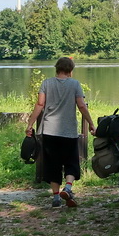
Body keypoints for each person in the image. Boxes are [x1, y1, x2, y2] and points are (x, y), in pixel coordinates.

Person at [26, 57, 94, 208]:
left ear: (57, 68)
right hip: (68, 131)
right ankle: (68, 188)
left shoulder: (46, 83)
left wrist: (30, 124)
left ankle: (56, 197)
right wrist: (91, 123)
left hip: (49, 131)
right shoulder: (75, 84)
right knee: (71, 161)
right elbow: (81, 105)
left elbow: (40, 104)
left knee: (52, 164)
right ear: (71, 70)